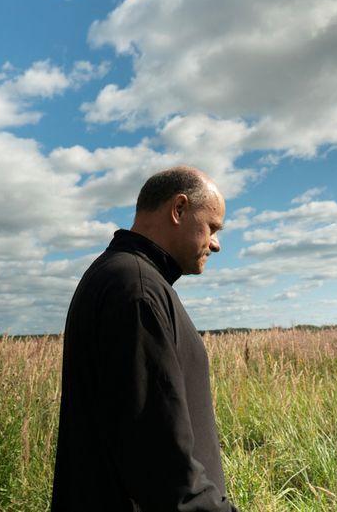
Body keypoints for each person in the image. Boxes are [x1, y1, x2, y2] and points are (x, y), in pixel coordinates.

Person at [51, 167, 239, 511]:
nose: (216, 243)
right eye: (212, 227)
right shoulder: (137, 290)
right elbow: (158, 456)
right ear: (178, 210)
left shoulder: (127, 278)